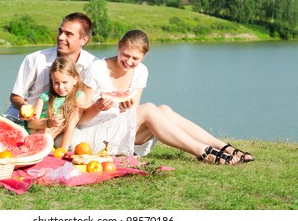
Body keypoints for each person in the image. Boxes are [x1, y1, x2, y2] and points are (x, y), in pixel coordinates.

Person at [78, 30, 254, 165]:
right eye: (125, 55)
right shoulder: (96, 69)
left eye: (135, 58)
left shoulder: (141, 71)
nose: (129, 62)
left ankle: (223, 146)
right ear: (118, 46)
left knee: (164, 110)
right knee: (149, 109)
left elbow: (131, 114)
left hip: (122, 131)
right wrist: (99, 107)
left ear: (144, 56)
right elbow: (80, 119)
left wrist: (125, 107)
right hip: (92, 133)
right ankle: (202, 151)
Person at [4, 12, 97, 149]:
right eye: (60, 32)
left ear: (84, 40)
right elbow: (16, 96)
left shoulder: (92, 65)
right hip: (26, 122)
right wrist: (25, 108)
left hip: (60, 127)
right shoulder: (35, 59)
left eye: (68, 34)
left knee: (76, 143)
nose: (60, 37)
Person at [27, 57, 85, 150]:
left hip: (46, 139)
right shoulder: (45, 97)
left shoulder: (78, 96)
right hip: (33, 134)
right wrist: (49, 123)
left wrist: (63, 150)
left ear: (75, 79)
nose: (61, 87)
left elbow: (71, 125)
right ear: (51, 81)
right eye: (56, 83)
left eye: (65, 82)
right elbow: (31, 123)